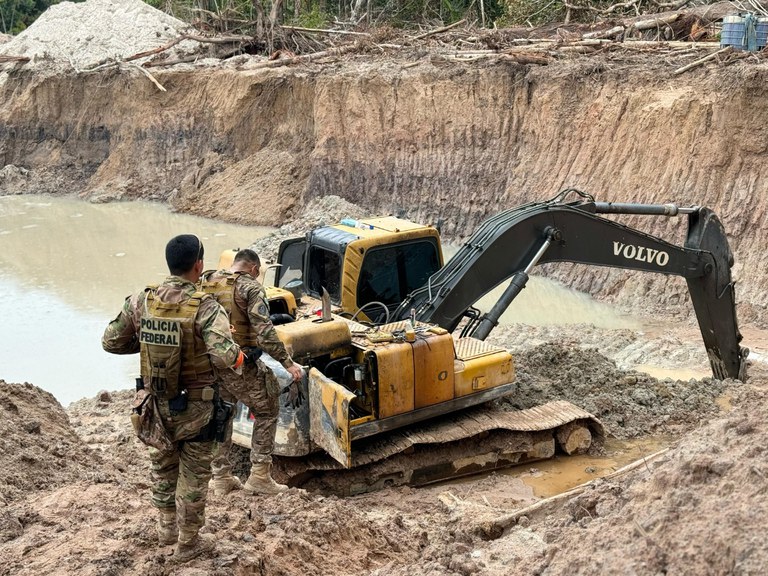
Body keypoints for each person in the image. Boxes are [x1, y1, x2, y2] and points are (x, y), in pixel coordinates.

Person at [102, 234, 244, 563]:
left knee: (163, 466)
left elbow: (110, 341)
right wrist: (240, 359)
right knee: (194, 475)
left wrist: (150, 347)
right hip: (196, 407)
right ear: (199, 265)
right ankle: (188, 542)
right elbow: (225, 356)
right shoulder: (206, 307)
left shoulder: (141, 301)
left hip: (153, 403)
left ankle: (166, 528)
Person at [201, 248, 304, 496]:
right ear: (255, 269)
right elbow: (265, 332)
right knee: (268, 409)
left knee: (223, 414)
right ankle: (259, 476)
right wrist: (288, 363)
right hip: (240, 363)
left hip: (212, 363)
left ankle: (221, 477)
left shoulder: (208, 281)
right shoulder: (251, 288)